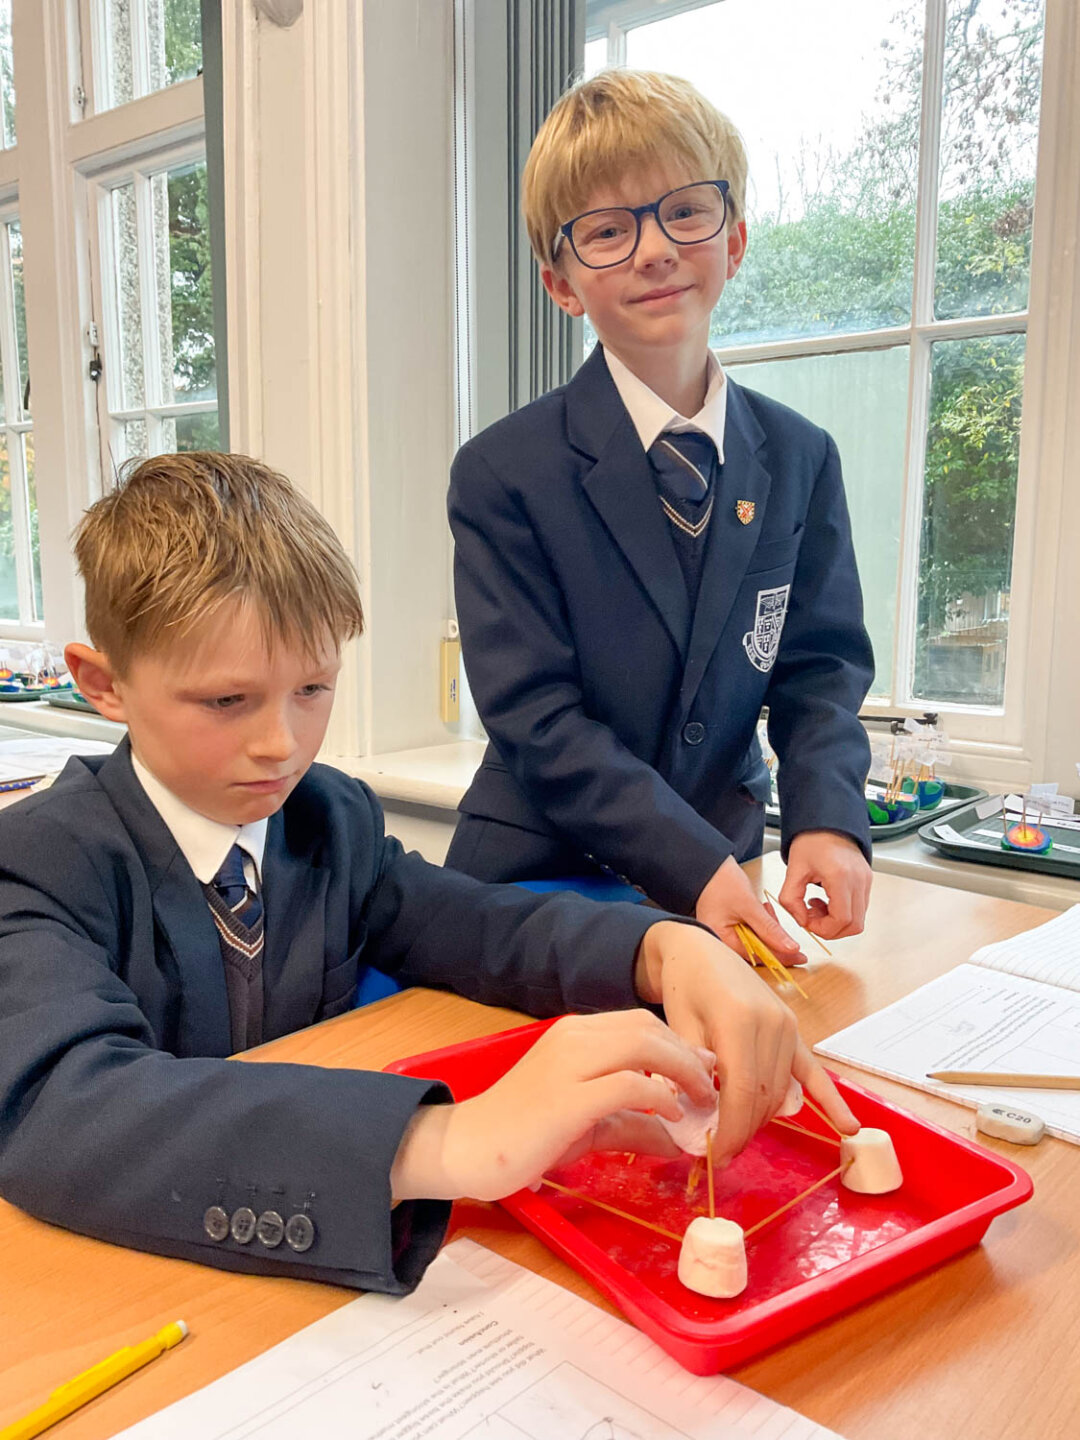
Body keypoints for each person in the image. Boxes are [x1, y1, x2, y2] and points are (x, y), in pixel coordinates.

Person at [0, 452, 855, 1296]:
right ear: (104, 685)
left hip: (312, 1277)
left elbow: (478, 925)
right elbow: (60, 1104)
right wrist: (444, 1142)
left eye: (313, 689)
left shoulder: (331, 818)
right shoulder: (39, 862)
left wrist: (666, 951)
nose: (282, 744)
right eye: (228, 701)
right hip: (126, 1278)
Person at [446, 70, 875, 960]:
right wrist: (691, 863)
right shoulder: (502, 472)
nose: (653, 250)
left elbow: (819, 669)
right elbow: (535, 716)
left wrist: (829, 818)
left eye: (684, 212)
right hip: (541, 885)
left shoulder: (801, 456)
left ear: (735, 239)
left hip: (730, 870)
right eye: (607, 231)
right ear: (561, 284)